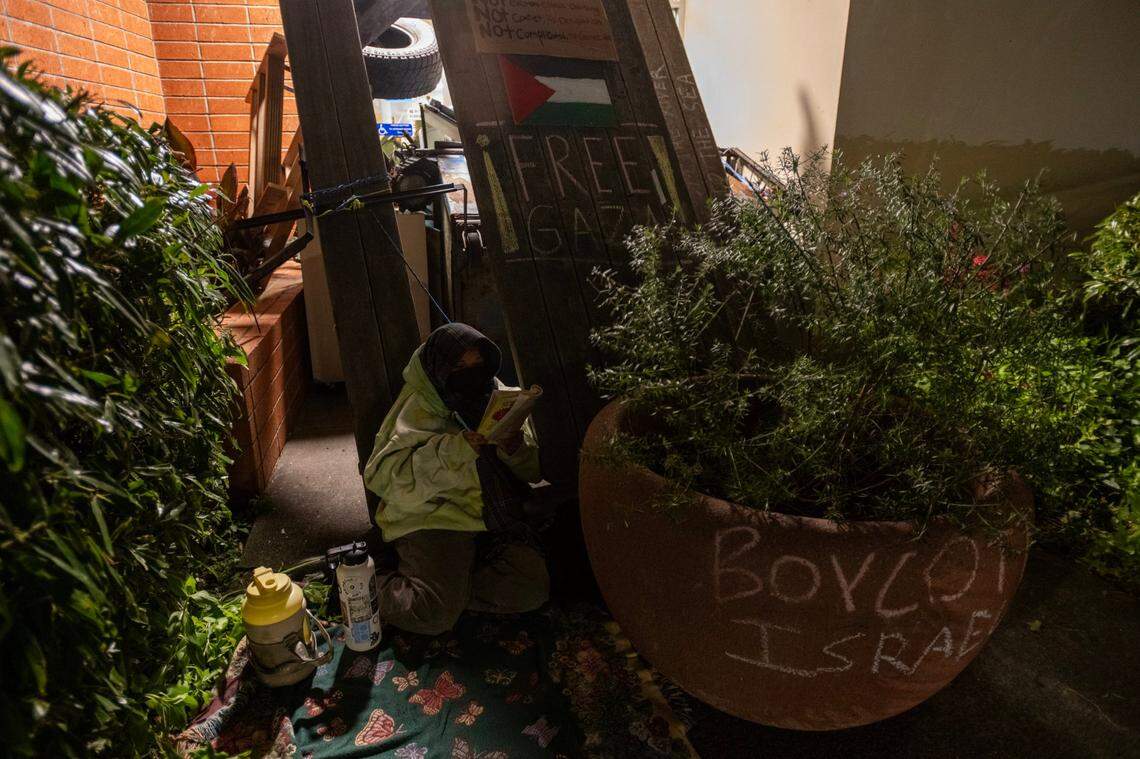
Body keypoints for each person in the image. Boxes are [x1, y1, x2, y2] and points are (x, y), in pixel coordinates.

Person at [363, 323, 549, 635]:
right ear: (440, 368)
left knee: (531, 590)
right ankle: (362, 582)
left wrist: (514, 448)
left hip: (491, 514)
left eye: (477, 364)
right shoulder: (417, 407)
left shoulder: (496, 394)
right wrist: (454, 451)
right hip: (435, 517)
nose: (470, 374)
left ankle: (450, 591)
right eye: (459, 367)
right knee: (431, 615)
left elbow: (532, 471)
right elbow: (384, 480)